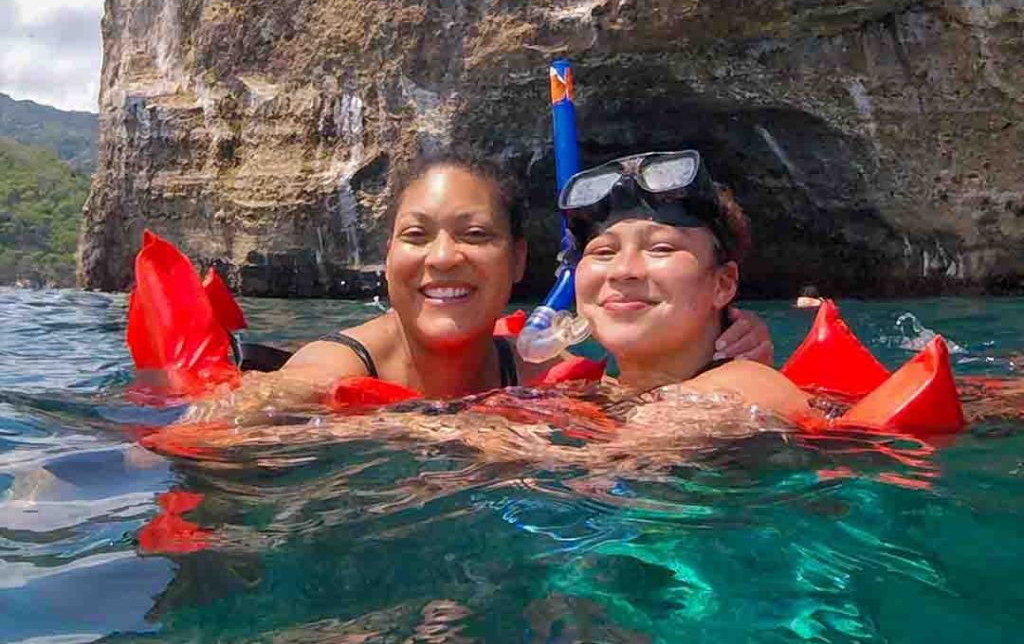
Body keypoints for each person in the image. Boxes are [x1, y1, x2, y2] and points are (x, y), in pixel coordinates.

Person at [187, 151, 774, 422]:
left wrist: (727, 347)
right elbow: (245, 419)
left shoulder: (544, 369)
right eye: (416, 235)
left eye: (474, 235)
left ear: (519, 260)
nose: (443, 258)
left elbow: (657, 393)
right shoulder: (333, 365)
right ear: (388, 256)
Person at [560, 149, 808, 425]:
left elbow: (627, 454)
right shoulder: (586, 393)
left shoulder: (750, 389)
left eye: (661, 248)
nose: (623, 271)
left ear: (722, 284)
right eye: (604, 252)